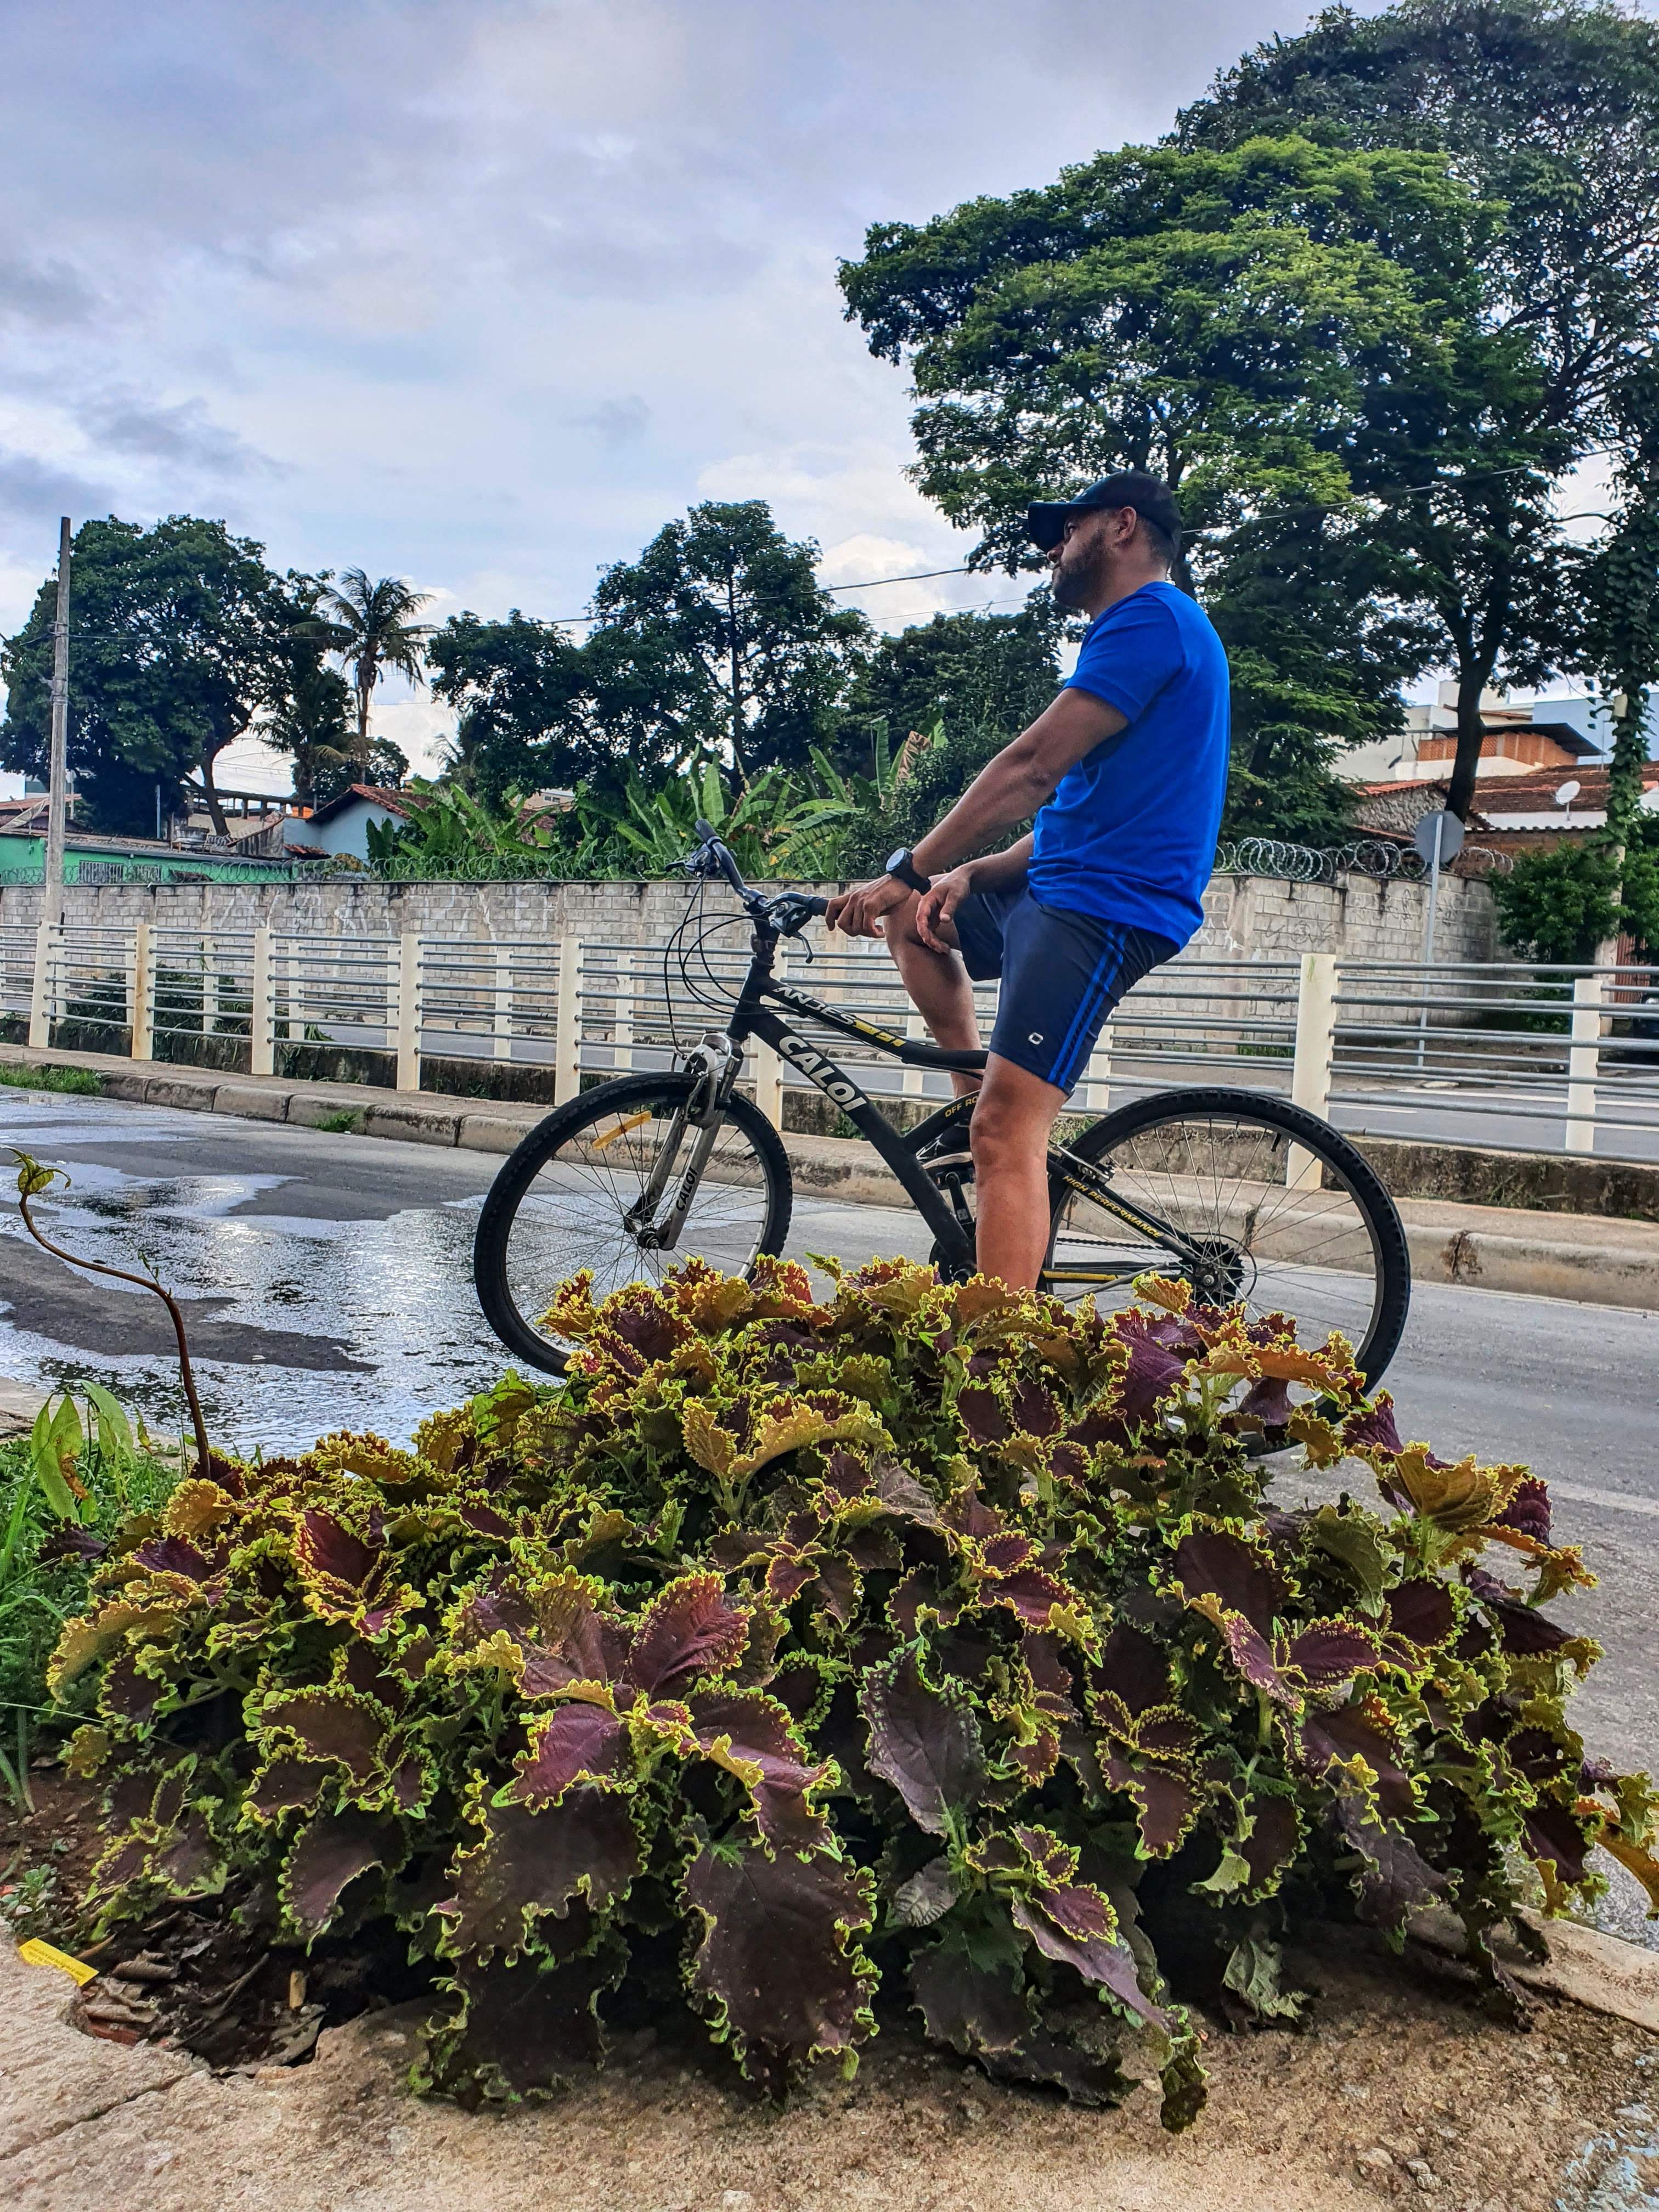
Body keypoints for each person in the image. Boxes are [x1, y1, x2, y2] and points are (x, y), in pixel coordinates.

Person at [824, 470, 1230, 1294]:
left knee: (1009, 1130)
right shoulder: (1129, 632)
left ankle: (997, 1372)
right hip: (1063, 884)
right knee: (914, 919)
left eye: (1066, 530)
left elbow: (1033, 766)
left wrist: (910, 865)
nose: (1051, 549)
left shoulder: (1153, 618)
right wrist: (967, 872)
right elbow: (1075, 816)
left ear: (1122, 526)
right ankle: (973, 1098)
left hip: (1106, 909)